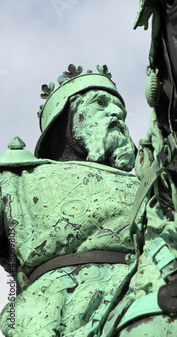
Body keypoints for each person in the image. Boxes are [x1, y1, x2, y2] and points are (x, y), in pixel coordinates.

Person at [0, 64, 140, 336]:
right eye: (100, 103)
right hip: (60, 309)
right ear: (67, 119)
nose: (116, 114)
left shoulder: (150, 185)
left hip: (151, 291)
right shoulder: (20, 179)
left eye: (120, 111)